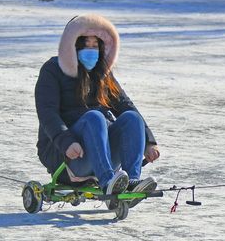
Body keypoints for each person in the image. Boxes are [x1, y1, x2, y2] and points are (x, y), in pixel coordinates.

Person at [34, 14, 159, 200]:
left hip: (104, 154)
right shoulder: (52, 70)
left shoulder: (102, 75)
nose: (91, 50)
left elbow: (126, 105)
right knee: (94, 117)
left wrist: (149, 142)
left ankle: (132, 181)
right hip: (69, 156)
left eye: (95, 46)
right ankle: (108, 181)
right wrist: (66, 142)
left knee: (131, 118)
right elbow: (47, 114)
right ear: (72, 45)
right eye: (85, 45)